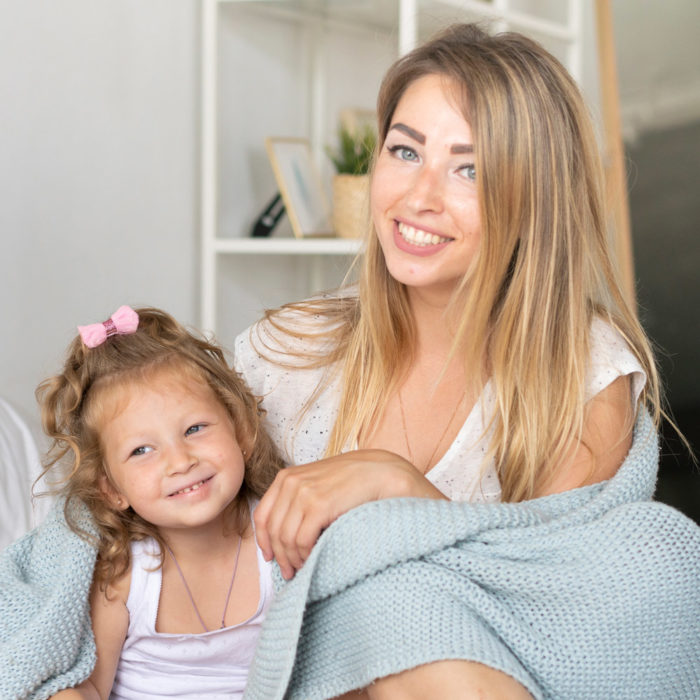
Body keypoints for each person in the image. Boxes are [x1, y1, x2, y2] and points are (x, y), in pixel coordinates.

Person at [235, 22, 696, 699]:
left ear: (533, 197)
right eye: (405, 150)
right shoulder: (287, 352)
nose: (419, 197)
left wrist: (396, 484)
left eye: (469, 169)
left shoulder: (580, 371)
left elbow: (560, 620)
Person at [36, 305, 283, 698]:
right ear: (111, 489)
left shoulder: (279, 535)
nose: (180, 461)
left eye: (195, 428)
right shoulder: (121, 572)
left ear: (241, 431)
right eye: (142, 450)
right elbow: (90, 687)